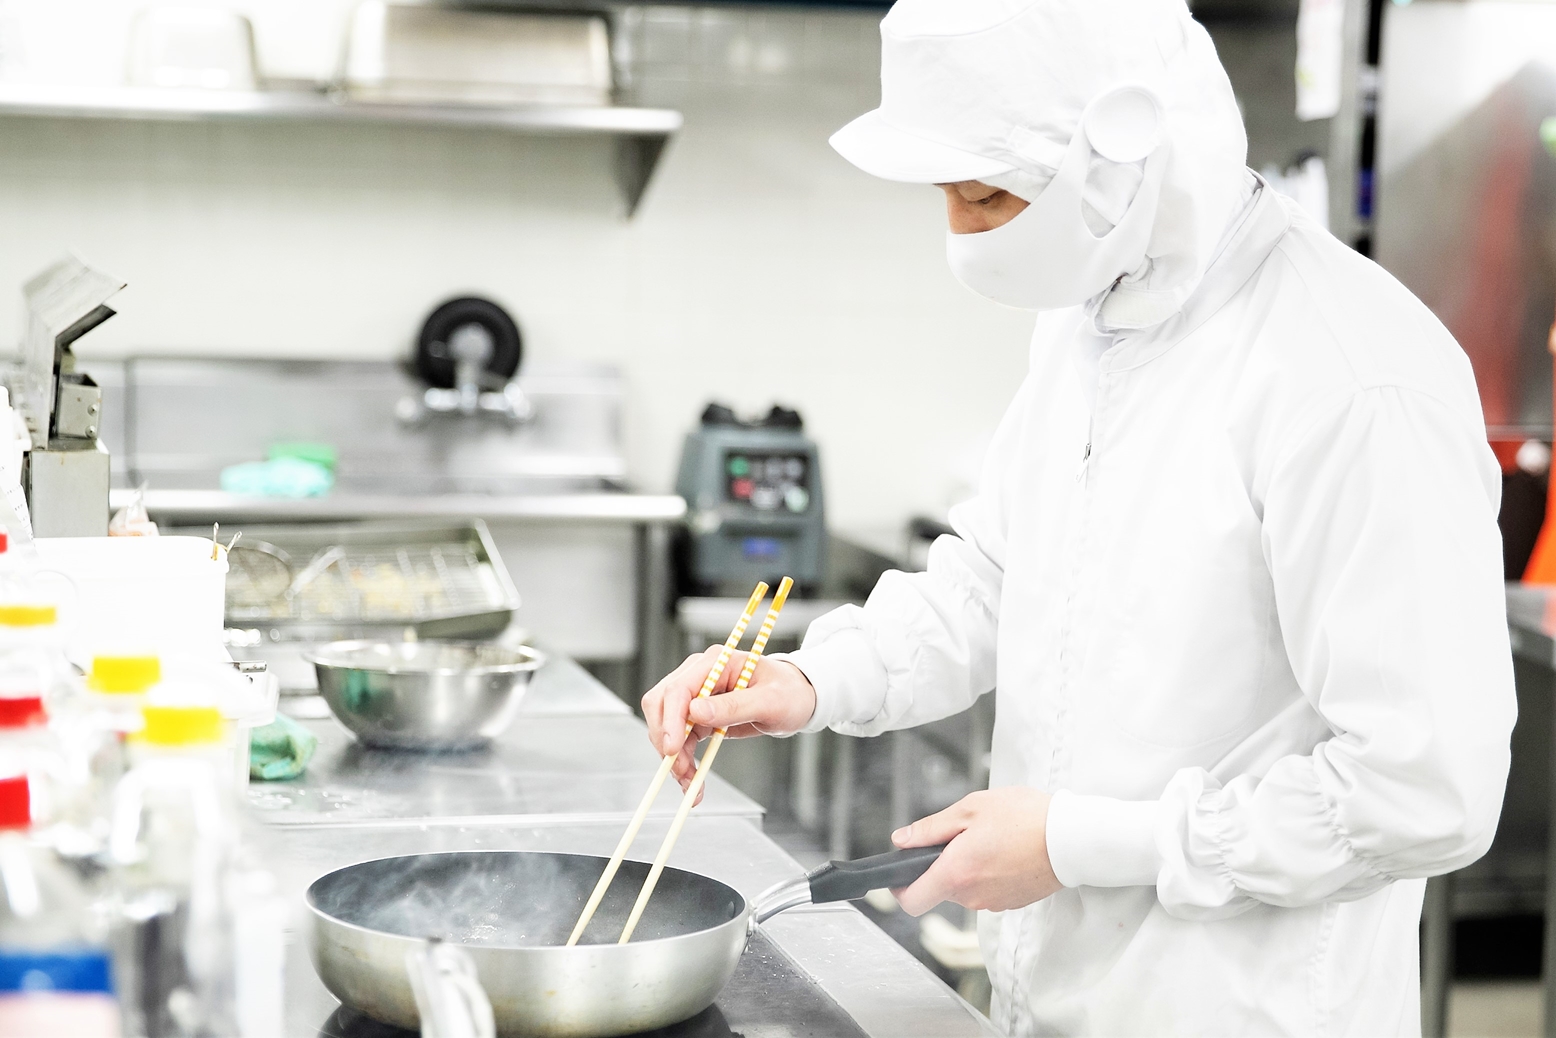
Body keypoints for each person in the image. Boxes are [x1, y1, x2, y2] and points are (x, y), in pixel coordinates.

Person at [643, 0, 1517, 1033]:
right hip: (1054, 997)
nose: (960, 233)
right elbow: (997, 579)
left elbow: (1423, 792)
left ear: (1119, 154)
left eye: (984, 196)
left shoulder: (1349, 377)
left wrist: (1076, 845)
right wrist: (808, 679)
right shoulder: (1093, 324)